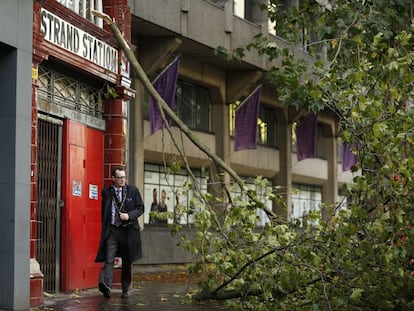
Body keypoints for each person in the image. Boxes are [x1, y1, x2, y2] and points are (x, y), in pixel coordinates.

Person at [95, 166, 144, 299]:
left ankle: (125, 289)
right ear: (113, 178)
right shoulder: (106, 192)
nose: (122, 180)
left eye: (123, 177)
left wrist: (129, 215)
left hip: (128, 231)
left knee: (127, 262)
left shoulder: (133, 191)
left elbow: (141, 208)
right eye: (119, 177)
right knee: (109, 258)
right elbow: (104, 211)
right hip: (112, 230)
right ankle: (106, 285)